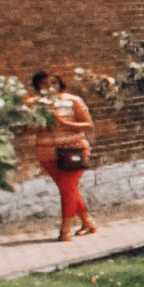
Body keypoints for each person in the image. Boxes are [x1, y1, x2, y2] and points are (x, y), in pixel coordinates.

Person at [25, 70, 97, 240]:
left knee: (67, 189)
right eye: (44, 84)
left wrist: (64, 123)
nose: (49, 87)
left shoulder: (72, 101)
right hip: (47, 152)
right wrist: (39, 123)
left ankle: (65, 230)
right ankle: (88, 222)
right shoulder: (32, 103)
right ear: (37, 86)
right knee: (68, 189)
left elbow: (89, 126)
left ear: (60, 84)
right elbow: (26, 128)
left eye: (54, 83)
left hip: (73, 150)